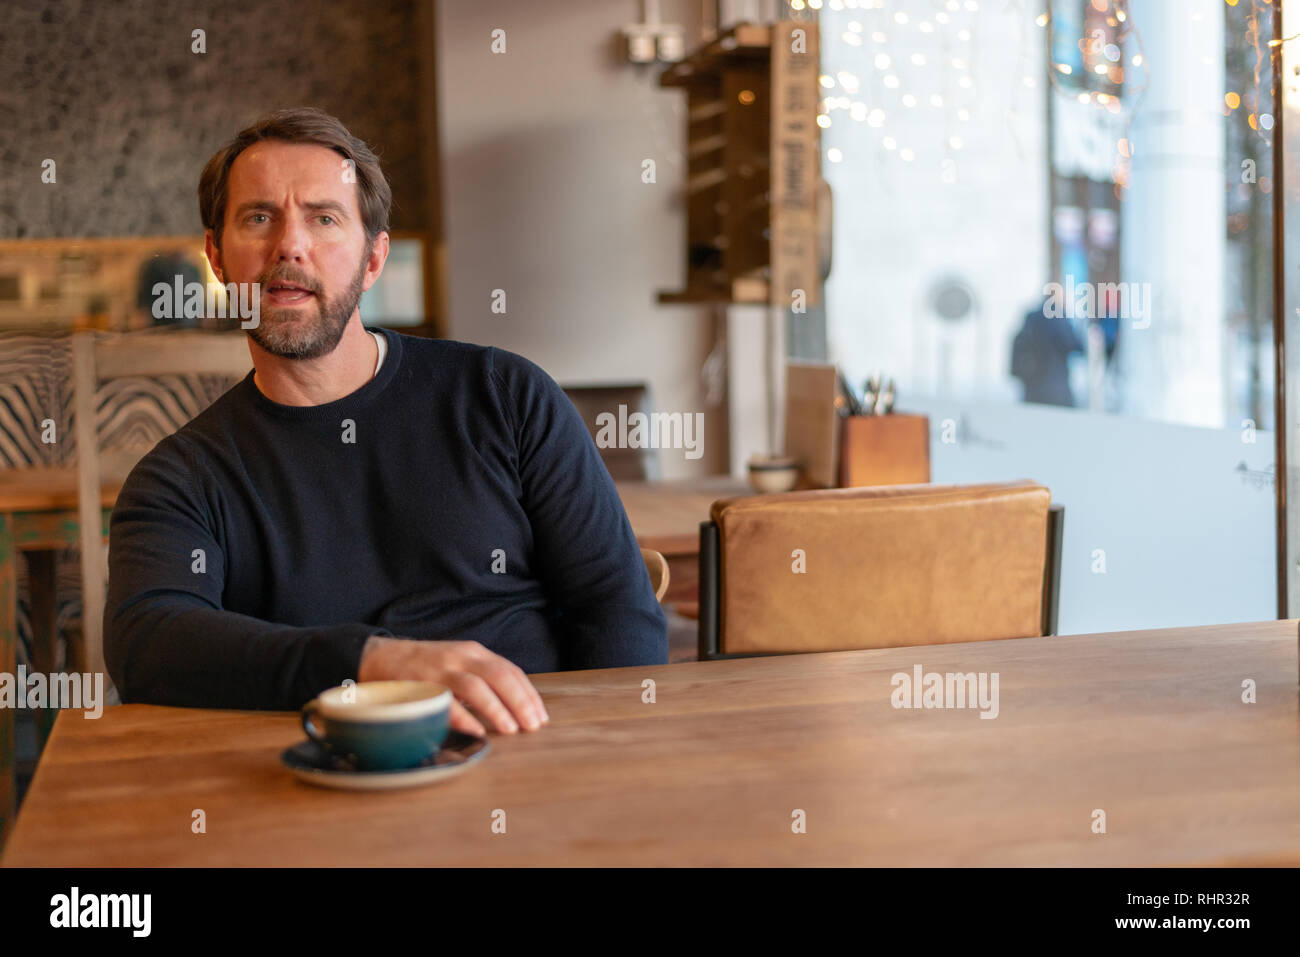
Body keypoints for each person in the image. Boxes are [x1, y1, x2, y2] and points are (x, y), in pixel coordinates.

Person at [104, 107, 668, 737]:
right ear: (216, 257)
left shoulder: (505, 395)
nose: (290, 244)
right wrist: (370, 661)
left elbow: (617, 610)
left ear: (373, 260)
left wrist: (601, 763)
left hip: (534, 765)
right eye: (259, 217)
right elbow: (146, 643)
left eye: (323, 218)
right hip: (322, 788)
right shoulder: (183, 477)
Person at [1010, 290, 1085, 407]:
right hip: (1055, 389)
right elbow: (1076, 345)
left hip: (1032, 388)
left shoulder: (1031, 318)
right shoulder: (1058, 318)